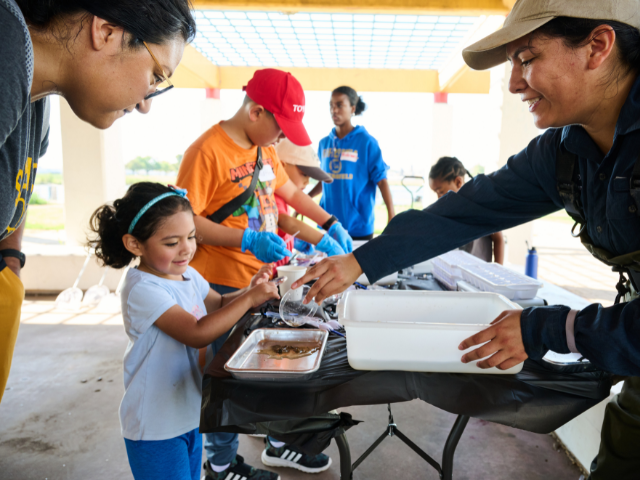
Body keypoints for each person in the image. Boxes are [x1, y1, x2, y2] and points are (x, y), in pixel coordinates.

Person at [293, 1, 640, 478]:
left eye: (527, 58)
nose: (515, 83)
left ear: (597, 46)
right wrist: (360, 262)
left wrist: (546, 329)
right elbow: (464, 212)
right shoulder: (564, 151)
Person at [0, 0, 196, 403]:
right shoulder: (5, 46)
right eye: (156, 76)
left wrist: (10, 263)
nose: (146, 104)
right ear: (107, 32)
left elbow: (20, 184)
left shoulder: (37, 96)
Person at [176, 69, 337, 478]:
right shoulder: (207, 151)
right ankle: (221, 461)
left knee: (267, 370)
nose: (282, 137)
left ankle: (278, 442)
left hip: (262, 279)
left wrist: (328, 227)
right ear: (255, 111)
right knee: (225, 375)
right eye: (280, 127)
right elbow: (185, 221)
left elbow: (290, 195)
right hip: (220, 283)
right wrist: (243, 240)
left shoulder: (264, 151)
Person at [87, 182, 279, 480]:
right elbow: (198, 332)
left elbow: (217, 303)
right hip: (155, 424)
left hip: (186, 411)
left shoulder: (185, 273)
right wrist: (250, 300)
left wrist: (249, 291)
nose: (187, 248)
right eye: (171, 242)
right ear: (135, 244)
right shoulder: (142, 288)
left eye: (191, 236)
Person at [308, 86, 395, 241]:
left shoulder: (367, 142)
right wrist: (307, 199)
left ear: (352, 108)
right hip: (327, 225)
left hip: (358, 227)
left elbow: (381, 181)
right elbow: (327, 179)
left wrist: (392, 215)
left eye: (339, 105)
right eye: (331, 105)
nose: (334, 110)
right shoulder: (324, 143)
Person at [273, 138, 341, 264]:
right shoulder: (273, 195)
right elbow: (285, 222)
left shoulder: (283, 199)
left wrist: (293, 241)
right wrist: (324, 241)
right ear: (281, 166)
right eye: (304, 174)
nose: (308, 182)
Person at [429, 157, 504, 264]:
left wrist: (498, 270)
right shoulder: (448, 209)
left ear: (458, 182)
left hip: (479, 273)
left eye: (441, 191)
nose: (438, 198)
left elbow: (498, 239)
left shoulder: (480, 205)